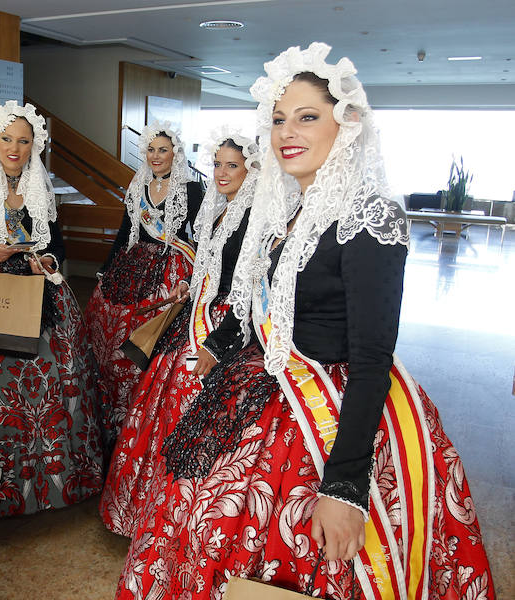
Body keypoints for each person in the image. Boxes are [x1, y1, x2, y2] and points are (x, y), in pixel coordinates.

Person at [116, 43, 495, 599]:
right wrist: (225, 344)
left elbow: (371, 360)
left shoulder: (370, 217)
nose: (287, 132)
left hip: (331, 411)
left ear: (347, 124)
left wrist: (344, 488)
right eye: (278, 120)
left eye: (307, 117)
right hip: (267, 390)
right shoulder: (290, 209)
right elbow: (267, 305)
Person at [0, 101, 104, 519]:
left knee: (54, 387)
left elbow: (59, 246)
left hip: (41, 294)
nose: (14, 147)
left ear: (35, 145)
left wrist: (47, 260)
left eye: (24, 141)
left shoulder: (39, 188)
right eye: (7, 139)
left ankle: (52, 482)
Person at [100, 128, 258, 537]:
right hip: (196, 306)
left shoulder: (255, 217)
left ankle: (182, 513)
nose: (222, 173)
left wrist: (217, 338)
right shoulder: (219, 208)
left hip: (226, 322)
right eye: (218, 164)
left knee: (187, 389)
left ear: (252, 169)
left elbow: (248, 289)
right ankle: (150, 505)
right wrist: (189, 287)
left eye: (232, 166)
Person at [85, 123, 203, 448]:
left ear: (174, 153)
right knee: (112, 330)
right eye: (151, 150)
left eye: (162, 150)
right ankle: (115, 405)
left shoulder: (191, 189)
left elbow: (201, 236)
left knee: (156, 334)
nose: (156, 156)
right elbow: (125, 233)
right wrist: (106, 270)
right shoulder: (137, 186)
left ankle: (145, 402)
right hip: (133, 266)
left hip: (171, 267)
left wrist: (192, 276)